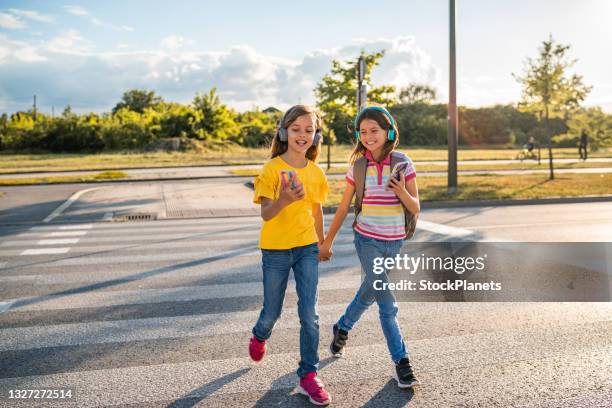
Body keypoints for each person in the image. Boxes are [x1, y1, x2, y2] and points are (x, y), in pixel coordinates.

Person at [318, 106, 421, 389]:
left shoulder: (403, 162)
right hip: (367, 240)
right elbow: (343, 207)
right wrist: (326, 241)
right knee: (387, 304)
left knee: (368, 293)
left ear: (388, 131)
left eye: (374, 130)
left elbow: (415, 207)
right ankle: (402, 362)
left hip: (395, 240)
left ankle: (342, 327)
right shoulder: (358, 166)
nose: (368, 136)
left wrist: (399, 190)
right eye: (363, 132)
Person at [248, 105, 331, 406]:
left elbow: (317, 209)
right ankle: (259, 335)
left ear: (316, 135)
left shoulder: (315, 172)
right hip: (276, 250)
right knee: (272, 311)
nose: (303, 135)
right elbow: (267, 215)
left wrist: (322, 244)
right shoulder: (271, 169)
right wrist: (283, 199)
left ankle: (308, 374)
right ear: (284, 132)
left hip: (307, 247)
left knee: (310, 314)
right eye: (296, 129)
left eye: (309, 130)